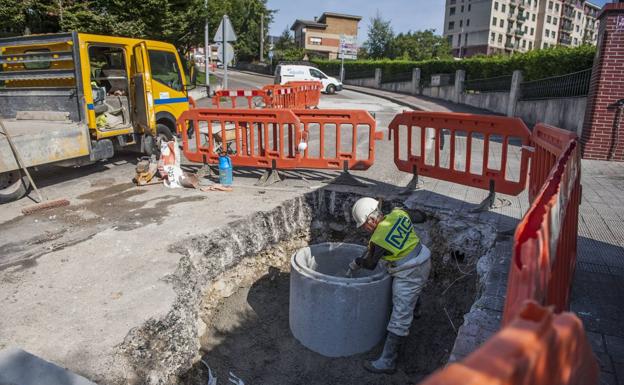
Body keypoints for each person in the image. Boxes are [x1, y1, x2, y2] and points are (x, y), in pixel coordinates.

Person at [348, 197, 432, 374]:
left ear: (371, 220)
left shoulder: (378, 240)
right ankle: (416, 309)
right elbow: (420, 216)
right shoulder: (398, 213)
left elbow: (370, 265)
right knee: (412, 290)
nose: (364, 230)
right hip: (424, 259)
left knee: (400, 316)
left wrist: (357, 262)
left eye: (364, 225)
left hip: (409, 272)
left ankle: (387, 361)